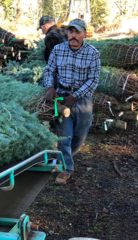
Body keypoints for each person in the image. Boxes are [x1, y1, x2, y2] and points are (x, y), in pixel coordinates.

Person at [43, 18, 100, 185]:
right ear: (67, 33)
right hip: (61, 98)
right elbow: (49, 70)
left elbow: (93, 80)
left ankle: (67, 157)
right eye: (71, 31)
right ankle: (66, 169)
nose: (73, 36)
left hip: (82, 100)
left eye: (77, 32)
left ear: (84, 34)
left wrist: (75, 96)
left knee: (79, 137)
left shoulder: (92, 53)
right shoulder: (58, 50)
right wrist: (49, 87)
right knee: (64, 137)